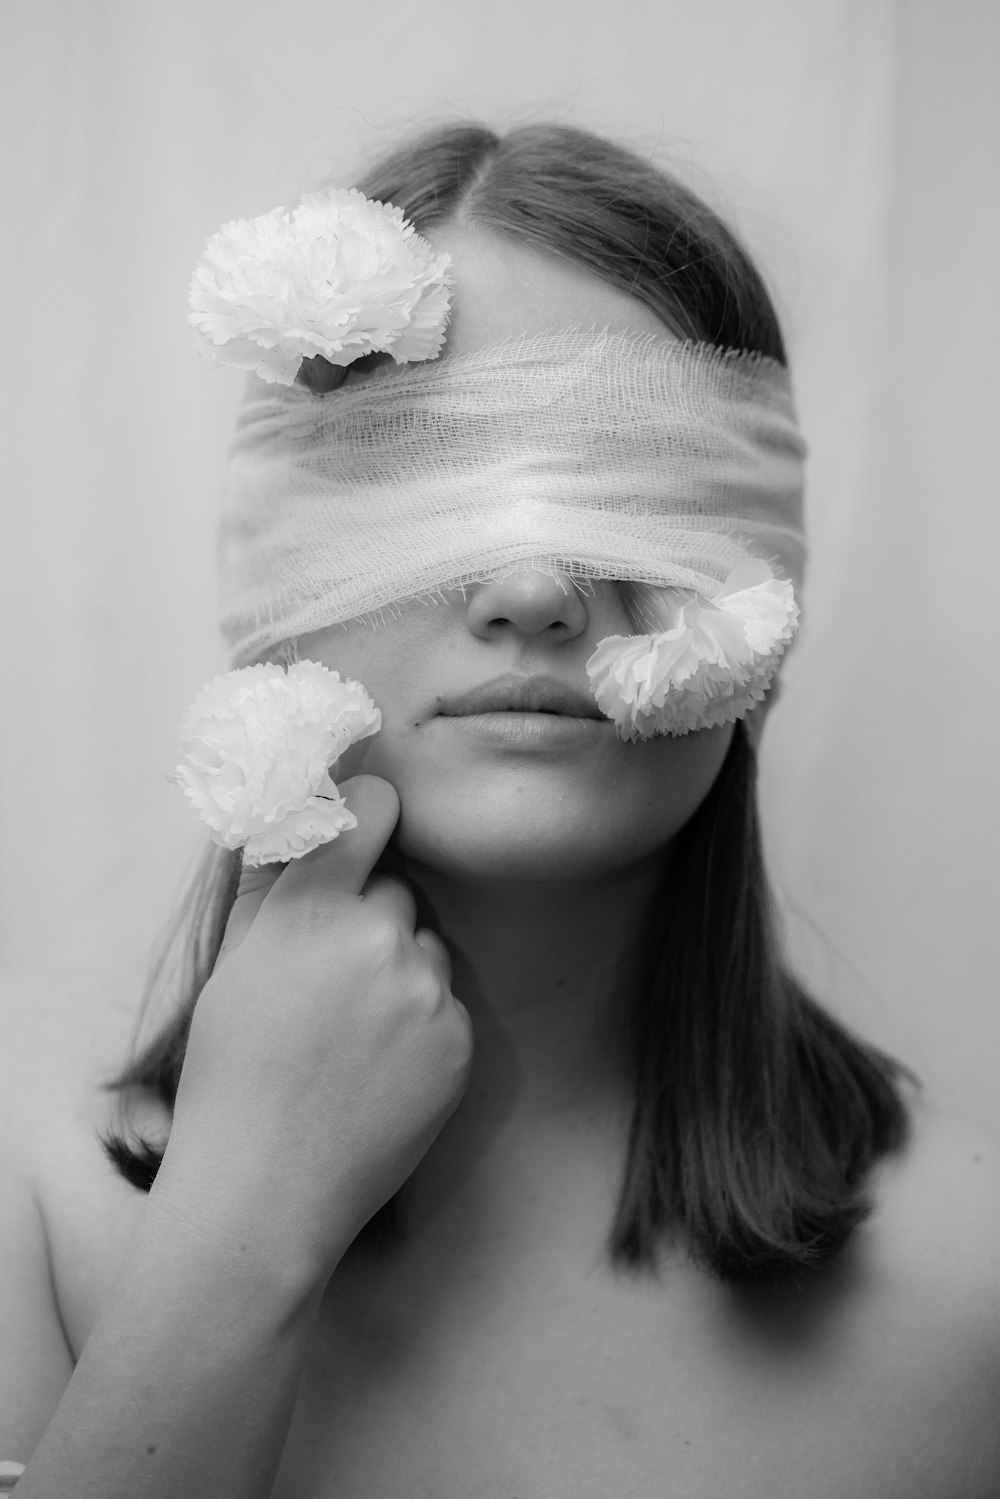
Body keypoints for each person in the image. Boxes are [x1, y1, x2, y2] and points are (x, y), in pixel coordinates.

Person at [1, 122, 998, 1499]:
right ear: (271, 586)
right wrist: (235, 1242)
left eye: (633, 482)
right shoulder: (29, 1219)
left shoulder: (977, 1281)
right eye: (427, 473)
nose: (533, 590)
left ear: (762, 601)